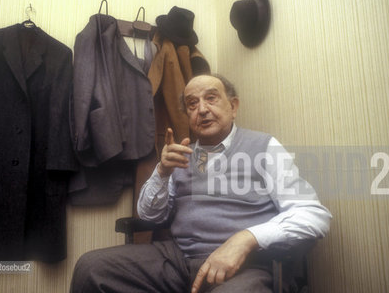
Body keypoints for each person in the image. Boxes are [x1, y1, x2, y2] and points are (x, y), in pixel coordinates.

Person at [70, 74, 332, 293]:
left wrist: (247, 239)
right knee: (90, 268)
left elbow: (313, 214)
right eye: (192, 104)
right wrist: (162, 172)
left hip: (244, 266)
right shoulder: (180, 154)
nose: (202, 109)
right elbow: (149, 215)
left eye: (211, 98)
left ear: (234, 106)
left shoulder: (264, 147)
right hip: (178, 258)